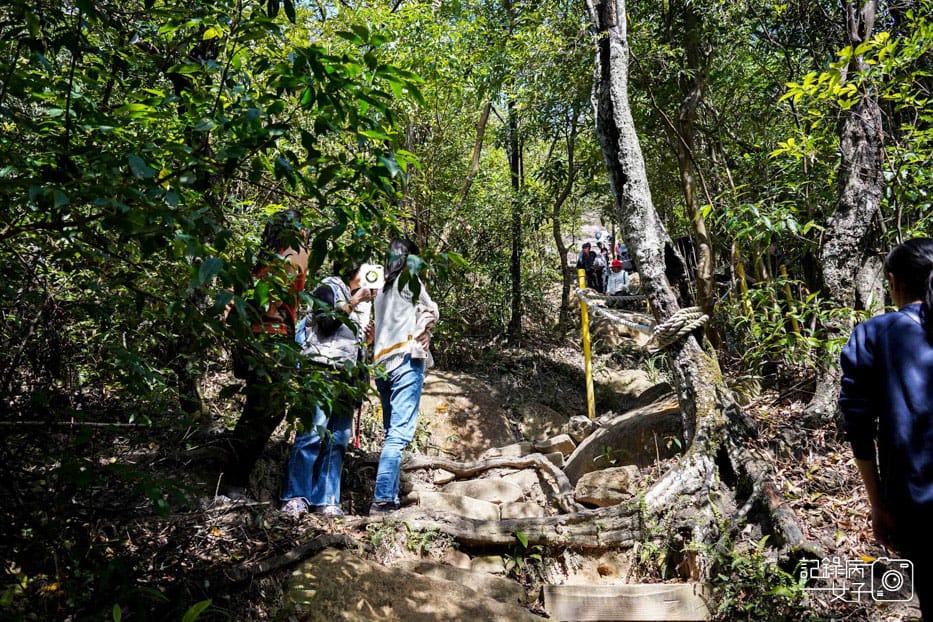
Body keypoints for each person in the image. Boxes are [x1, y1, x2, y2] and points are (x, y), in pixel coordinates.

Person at [839, 238, 933, 618]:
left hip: (917, 505)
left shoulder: (874, 335)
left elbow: (859, 428)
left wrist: (878, 505)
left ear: (893, 283)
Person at [222, 209, 309, 499]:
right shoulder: (290, 254)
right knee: (265, 411)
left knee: (258, 410)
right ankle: (233, 481)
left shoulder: (259, 259)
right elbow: (272, 299)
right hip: (272, 343)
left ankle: (233, 478)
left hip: (253, 341)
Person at [280, 260, 375, 518]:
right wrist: (353, 301)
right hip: (322, 370)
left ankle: (327, 499)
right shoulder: (329, 288)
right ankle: (296, 496)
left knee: (338, 439)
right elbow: (324, 322)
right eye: (367, 270)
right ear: (353, 270)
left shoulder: (365, 305)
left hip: (347, 376)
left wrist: (367, 340)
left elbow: (354, 348)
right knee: (311, 433)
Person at [369, 239, 439, 515]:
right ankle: (383, 498)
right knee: (398, 436)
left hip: (381, 363)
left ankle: (390, 497)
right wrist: (427, 324)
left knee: (391, 433)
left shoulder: (379, 284)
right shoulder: (410, 281)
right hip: (406, 359)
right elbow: (433, 310)